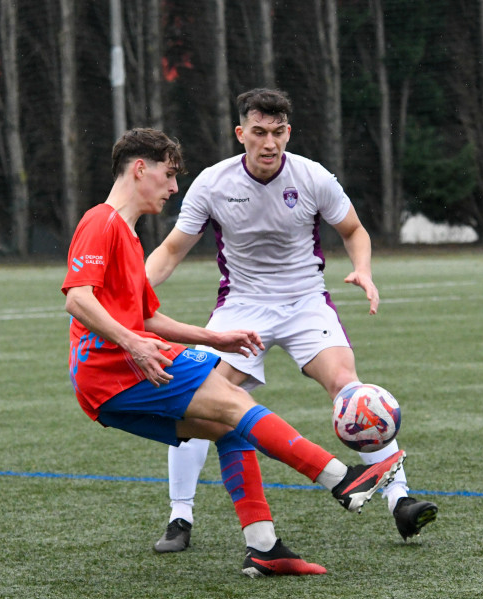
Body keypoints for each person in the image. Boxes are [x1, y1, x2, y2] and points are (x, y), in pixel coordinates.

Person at [62, 127, 405, 577]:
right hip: (115, 367)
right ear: (140, 169)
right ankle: (343, 478)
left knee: (227, 426)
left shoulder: (127, 236)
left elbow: (146, 319)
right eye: (167, 175)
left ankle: (264, 547)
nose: (173, 187)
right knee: (237, 402)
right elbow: (77, 298)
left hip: (103, 388)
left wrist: (215, 339)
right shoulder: (101, 221)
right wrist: (131, 344)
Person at [145, 89, 437, 554]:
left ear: (288, 133)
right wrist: (135, 290)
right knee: (198, 401)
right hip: (242, 307)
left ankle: (401, 502)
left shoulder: (312, 176)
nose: (269, 143)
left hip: (305, 303)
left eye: (278, 132)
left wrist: (362, 268)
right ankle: (181, 515)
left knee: (351, 390)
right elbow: (173, 249)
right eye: (258, 132)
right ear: (240, 134)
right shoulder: (212, 183)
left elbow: (354, 230)